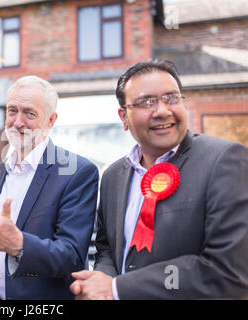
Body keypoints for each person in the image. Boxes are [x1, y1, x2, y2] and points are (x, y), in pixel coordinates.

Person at [70, 60, 248, 299]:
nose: (163, 110)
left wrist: (117, 289)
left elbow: (228, 271)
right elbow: (107, 249)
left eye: (172, 98)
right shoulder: (113, 176)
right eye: (147, 102)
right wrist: (101, 281)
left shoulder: (224, 160)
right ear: (124, 117)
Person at [0, 75, 99, 300]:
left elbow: (72, 256)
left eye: (29, 113)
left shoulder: (77, 172)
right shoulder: (2, 169)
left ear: (51, 121)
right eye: (12, 111)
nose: (18, 122)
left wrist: (18, 244)